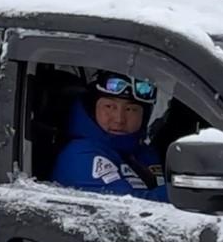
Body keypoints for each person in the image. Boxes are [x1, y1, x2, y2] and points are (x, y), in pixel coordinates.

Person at [51, 70, 168, 202]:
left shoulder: (143, 152)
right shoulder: (80, 156)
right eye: (109, 107)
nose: (119, 119)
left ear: (144, 115)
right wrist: (189, 194)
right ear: (92, 109)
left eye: (131, 109)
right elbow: (130, 208)